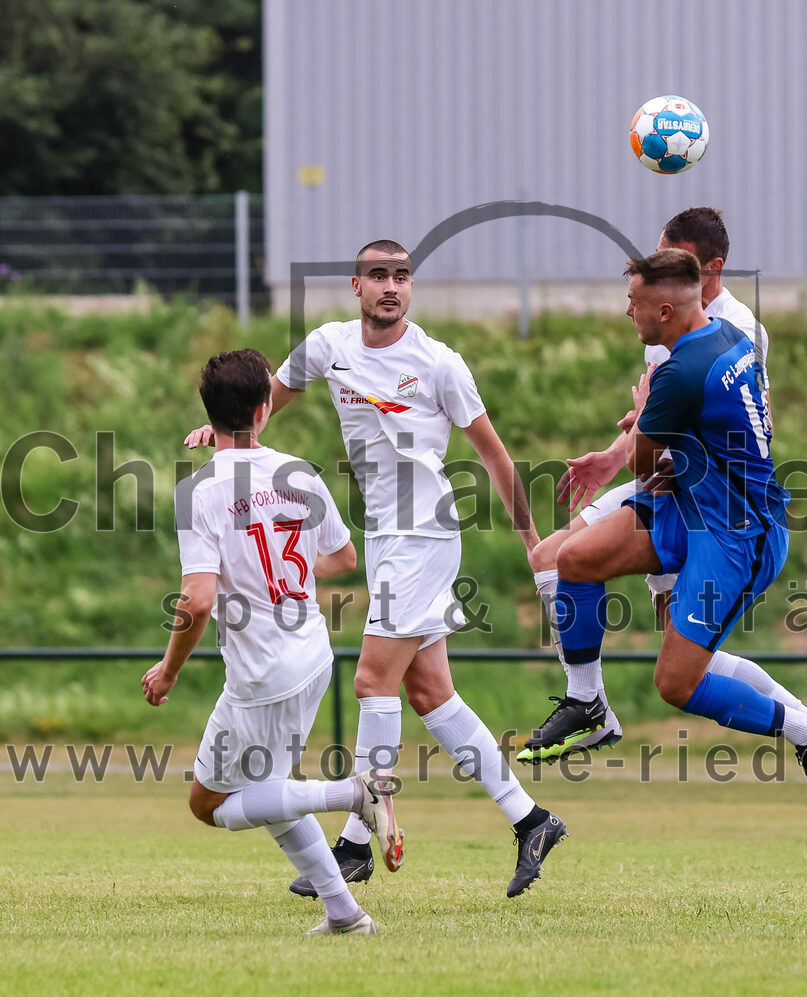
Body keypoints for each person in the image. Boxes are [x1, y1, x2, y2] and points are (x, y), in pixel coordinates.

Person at [185, 242, 567, 898]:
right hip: (386, 535)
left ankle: (357, 843)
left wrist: (533, 540)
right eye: (379, 276)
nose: (391, 286)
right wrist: (220, 428)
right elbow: (269, 394)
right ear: (356, 285)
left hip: (424, 533)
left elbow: (497, 456)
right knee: (430, 694)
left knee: (370, 679)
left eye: (402, 276)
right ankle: (531, 818)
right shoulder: (329, 344)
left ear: (409, 287)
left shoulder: (440, 364)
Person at [520, 209, 807, 823]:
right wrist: (662, 425)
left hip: (737, 535)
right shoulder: (727, 336)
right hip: (694, 501)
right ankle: (587, 704)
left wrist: (653, 419)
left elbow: (643, 467)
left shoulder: (683, 367)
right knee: (571, 559)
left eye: (634, 302)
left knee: (676, 683)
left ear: (664, 312)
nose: (628, 312)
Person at [143, 348, 403, 937]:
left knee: (207, 807)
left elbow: (199, 599)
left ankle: (349, 794)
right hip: (311, 655)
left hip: (260, 676)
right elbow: (341, 558)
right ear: (265, 410)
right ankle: (346, 916)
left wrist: (168, 671)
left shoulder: (199, 491)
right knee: (271, 791)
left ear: (208, 415)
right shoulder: (301, 473)